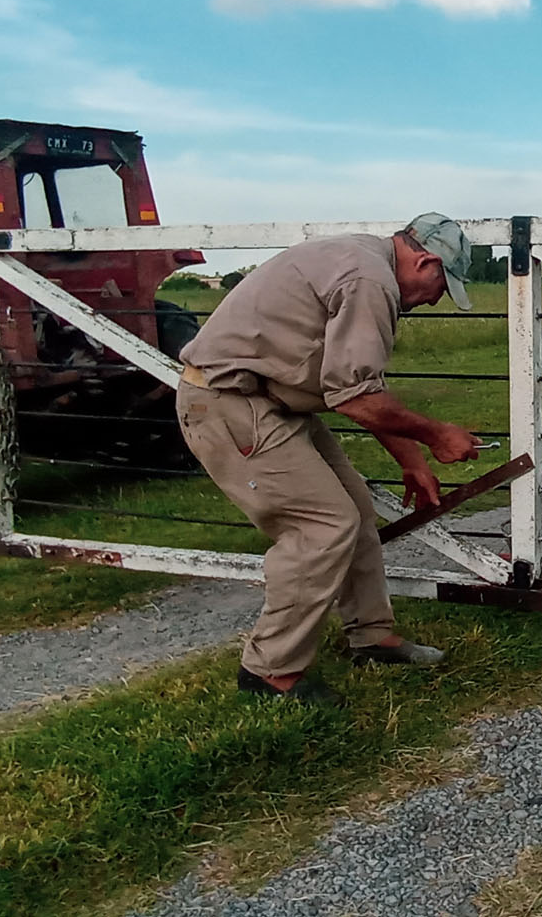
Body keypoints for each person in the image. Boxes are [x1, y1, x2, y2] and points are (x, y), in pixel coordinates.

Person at [175, 213, 484, 706]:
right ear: (425, 261)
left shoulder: (365, 258)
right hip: (229, 402)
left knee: (356, 511)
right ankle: (270, 672)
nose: (433, 300)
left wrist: (411, 459)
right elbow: (356, 398)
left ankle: (372, 636)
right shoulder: (370, 280)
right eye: (441, 286)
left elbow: (359, 383)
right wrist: (437, 435)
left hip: (269, 401)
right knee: (322, 525)